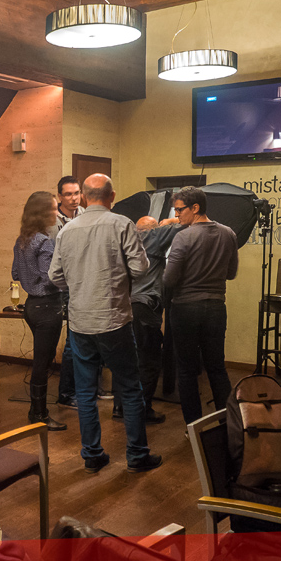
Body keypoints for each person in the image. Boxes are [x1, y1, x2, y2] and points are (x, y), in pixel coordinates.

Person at [49, 174, 162, 474]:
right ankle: (137, 455)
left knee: (85, 392)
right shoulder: (122, 224)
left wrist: (79, 282)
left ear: (84, 198)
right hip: (114, 319)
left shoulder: (67, 230)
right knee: (129, 389)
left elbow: (55, 277)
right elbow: (139, 268)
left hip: (80, 321)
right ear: (111, 196)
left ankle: (92, 455)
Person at [163, 187, 239, 426]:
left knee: (186, 371)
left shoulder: (184, 236)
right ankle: (228, 423)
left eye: (179, 210)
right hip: (216, 307)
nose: (177, 216)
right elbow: (231, 273)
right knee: (217, 367)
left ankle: (193, 427)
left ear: (195, 208)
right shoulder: (229, 234)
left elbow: (168, 279)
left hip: (185, 308)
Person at [112, 216, 181, 424]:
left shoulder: (125, 240)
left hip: (123, 307)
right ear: (151, 229)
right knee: (150, 362)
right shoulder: (154, 236)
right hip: (144, 308)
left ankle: (120, 407)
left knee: (125, 360)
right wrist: (168, 222)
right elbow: (185, 223)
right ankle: (142, 410)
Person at [12, 191, 67, 431]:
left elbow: (15, 274)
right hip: (47, 307)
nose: (58, 212)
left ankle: (36, 410)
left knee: (40, 361)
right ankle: (39, 414)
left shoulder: (22, 240)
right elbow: (51, 277)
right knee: (42, 363)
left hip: (31, 306)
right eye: (55, 208)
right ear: (43, 213)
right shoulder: (45, 242)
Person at [50, 176, 83, 409]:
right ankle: (66, 393)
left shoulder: (85, 214)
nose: (73, 198)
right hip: (66, 287)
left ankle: (89, 387)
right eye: (68, 194)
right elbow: (54, 259)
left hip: (86, 284)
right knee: (72, 342)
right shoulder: (53, 221)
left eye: (77, 193)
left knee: (90, 339)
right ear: (60, 196)